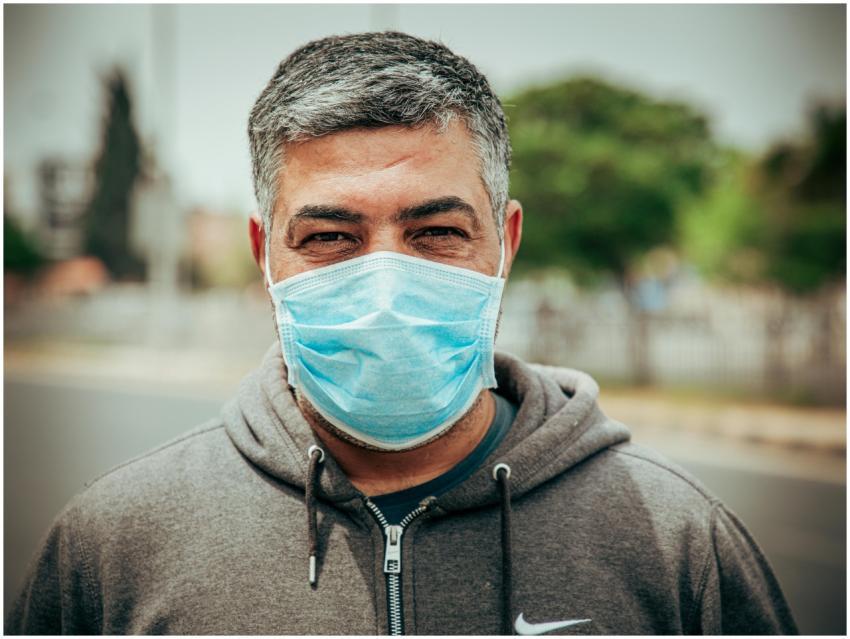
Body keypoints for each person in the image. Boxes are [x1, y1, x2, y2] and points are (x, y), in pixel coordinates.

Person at [6, 31, 797, 636]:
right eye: (329, 238)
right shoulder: (112, 548)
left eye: (437, 231)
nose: (384, 284)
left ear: (506, 242)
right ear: (264, 255)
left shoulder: (676, 543)